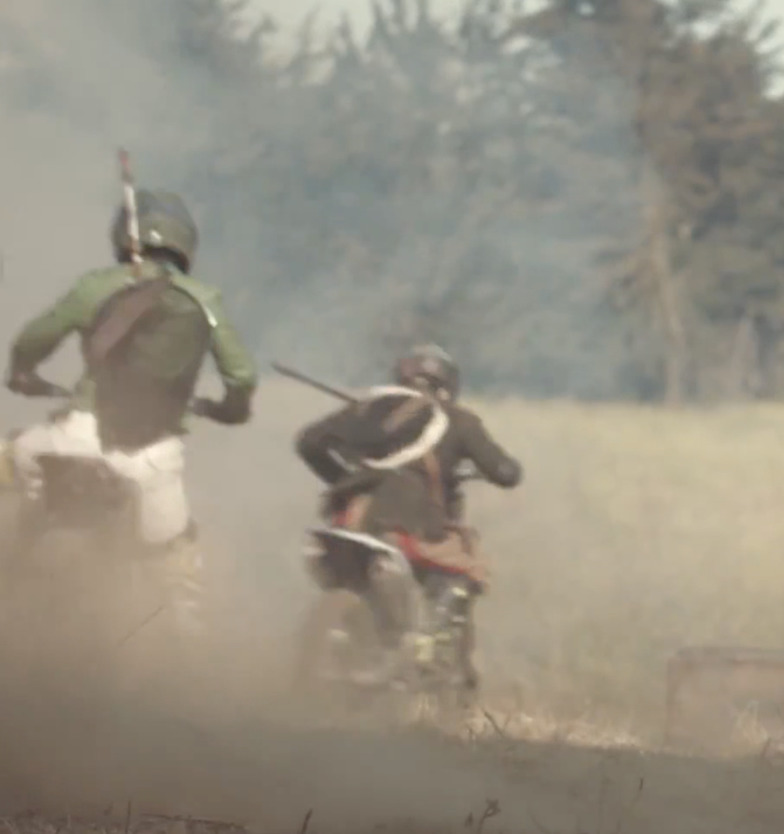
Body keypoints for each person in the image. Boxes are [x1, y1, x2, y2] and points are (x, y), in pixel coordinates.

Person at [4, 187, 257, 638]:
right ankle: (194, 674)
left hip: (75, 437)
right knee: (178, 574)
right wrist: (230, 410)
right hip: (153, 460)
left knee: (12, 456)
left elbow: (35, 338)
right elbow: (241, 375)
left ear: (124, 236)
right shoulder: (204, 300)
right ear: (185, 243)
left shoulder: (96, 286)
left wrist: (22, 372)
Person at [294, 343, 522, 690]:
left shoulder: (370, 407)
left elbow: (308, 442)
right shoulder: (457, 419)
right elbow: (505, 472)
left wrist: (344, 480)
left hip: (351, 519)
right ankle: (434, 657)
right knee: (463, 570)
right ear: (447, 384)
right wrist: (503, 469)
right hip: (410, 523)